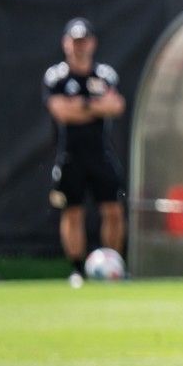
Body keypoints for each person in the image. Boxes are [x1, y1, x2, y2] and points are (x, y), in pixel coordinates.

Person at [44, 17, 127, 285]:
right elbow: (60, 111)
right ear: (66, 43)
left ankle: (113, 264)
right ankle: (77, 269)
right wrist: (94, 106)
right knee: (73, 212)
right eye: (74, 41)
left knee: (113, 209)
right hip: (70, 155)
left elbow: (115, 105)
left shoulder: (104, 74)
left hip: (101, 153)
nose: (79, 47)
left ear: (92, 43)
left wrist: (81, 105)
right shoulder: (56, 76)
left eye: (84, 41)